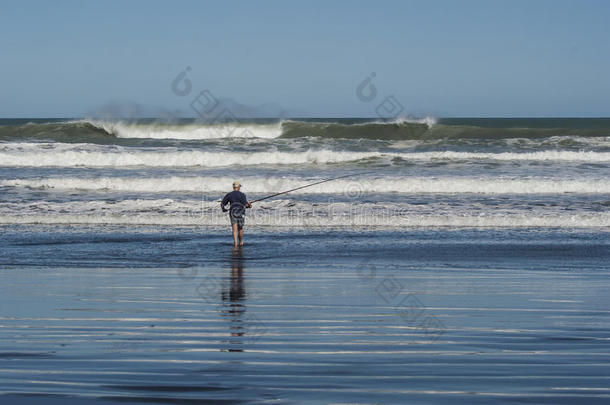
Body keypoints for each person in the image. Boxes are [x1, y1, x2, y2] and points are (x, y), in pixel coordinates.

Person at [221, 181, 252, 248]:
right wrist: (249, 205)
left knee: (234, 229)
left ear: (233, 187)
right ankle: (240, 242)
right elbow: (246, 205)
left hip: (232, 211)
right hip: (241, 212)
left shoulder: (229, 194)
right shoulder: (242, 194)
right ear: (239, 187)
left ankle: (235, 243)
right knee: (240, 228)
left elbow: (222, 203)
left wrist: (223, 209)